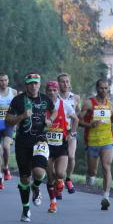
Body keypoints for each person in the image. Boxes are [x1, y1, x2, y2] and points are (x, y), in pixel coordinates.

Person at [6, 73, 56, 222]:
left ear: (39, 84)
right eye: (30, 83)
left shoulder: (45, 99)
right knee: (24, 178)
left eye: (36, 83)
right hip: (23, 142)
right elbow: (8, 120)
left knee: (40, 173)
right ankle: (26, 209)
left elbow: (53, 111)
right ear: (26, 85)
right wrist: (21, 116)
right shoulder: (18, 100)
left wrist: (50, 120)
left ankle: (36, 186)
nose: (33, 86)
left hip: (40, 139)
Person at [79, 79, 113, 210]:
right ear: (97, 89)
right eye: (101, 88)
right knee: (92, 171)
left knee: (106, 166)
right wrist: (89, 124)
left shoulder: (110, 104)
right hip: (92, 141)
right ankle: (90, 175)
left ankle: (106, 197)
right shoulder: (89, 103)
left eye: (106, 88)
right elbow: (78, 120)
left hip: (107, 141)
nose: (104, 91)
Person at [44, 81, 78, 213]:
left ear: (57, 91)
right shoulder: (43, 105)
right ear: (46, 91)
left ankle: (61, 181)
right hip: (46, 145)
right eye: (49, 90)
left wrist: (72, 134)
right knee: (50, 176)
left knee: (60, 173)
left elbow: (76, 119)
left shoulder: (65, 105)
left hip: (61, 144)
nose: (52, 92)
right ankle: (53, 203)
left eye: (54, 90)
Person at [0, 73, 17, 190]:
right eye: (1, 80)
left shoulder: (13, 92)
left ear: (8, 81)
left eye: (5, 80)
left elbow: (17, 107)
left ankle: (6, 167)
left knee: (6, 147)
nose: (3, 82)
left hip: (8, 124)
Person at [58, 73, 80, 195]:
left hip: (70, 133)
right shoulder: (54, 97)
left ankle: (68, 178)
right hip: (56, 133)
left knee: (71, 157)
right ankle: (58, 182)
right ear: (58, 83)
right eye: (62, 82)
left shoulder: (75, 98)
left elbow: (78, 113)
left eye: (67, 81)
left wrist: (73, 132)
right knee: (58, 160)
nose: (65, 84)